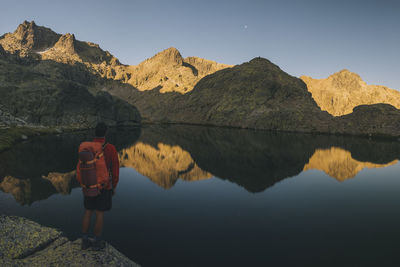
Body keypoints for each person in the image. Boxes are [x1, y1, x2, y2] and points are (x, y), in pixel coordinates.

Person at [77, 122, 119, 250]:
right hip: (104, 186)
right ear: (105, 133)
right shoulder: (110, 148)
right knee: (100, 213)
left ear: (94, 132)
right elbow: (115, 170)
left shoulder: (87, 147)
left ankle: (84, 240)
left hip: (89, 185)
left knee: (88, 212)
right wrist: (113, 186)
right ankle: (96, 242)